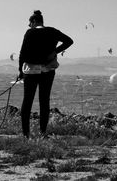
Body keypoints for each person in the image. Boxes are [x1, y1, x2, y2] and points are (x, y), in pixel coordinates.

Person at [18, 10, 73, 138]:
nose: (29, 25)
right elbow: (69, 41)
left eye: (29, 23)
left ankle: (26, 134)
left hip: (30, 71)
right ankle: (43, 133)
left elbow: (23, 53)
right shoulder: (52, 31)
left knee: (27, 101)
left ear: (34, 21)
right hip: (47, 71)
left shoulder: (30, 33)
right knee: (44, 101)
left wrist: (20, 71)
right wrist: (55, 51)